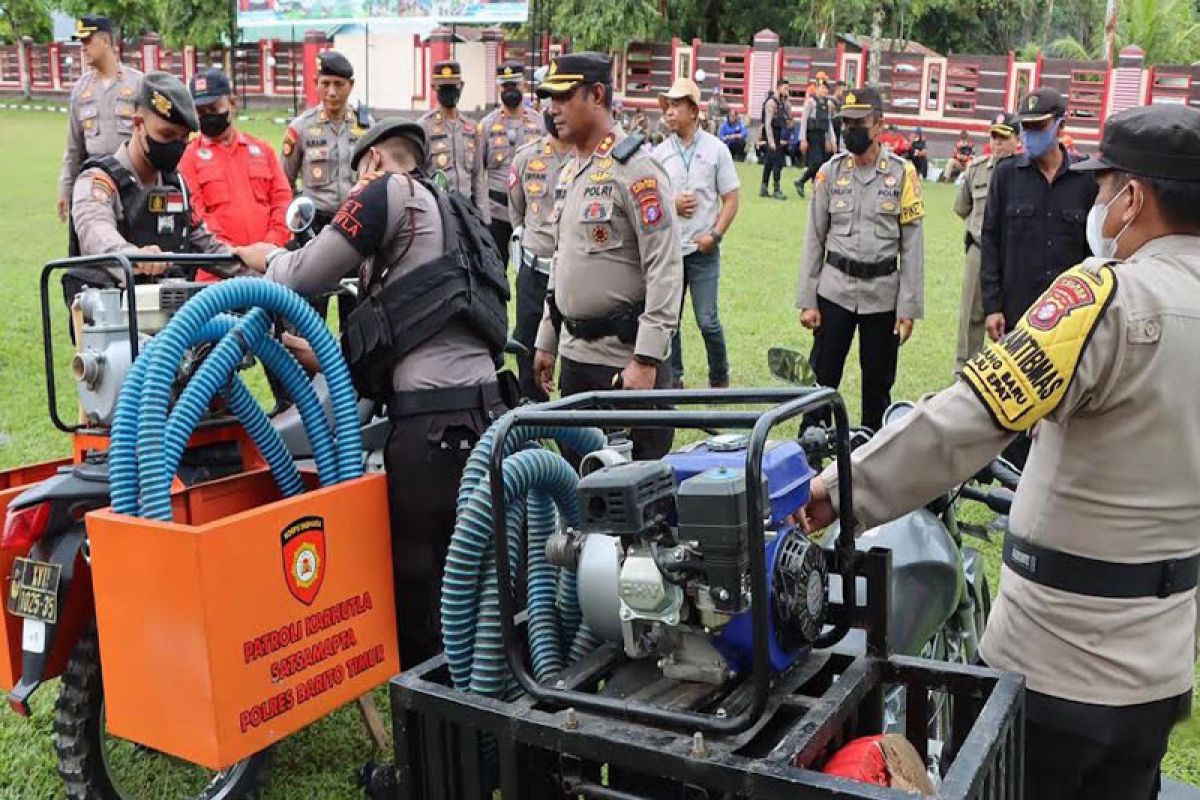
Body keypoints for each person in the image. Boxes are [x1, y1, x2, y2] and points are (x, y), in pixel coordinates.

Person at [801, 103, 1200, 800]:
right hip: (1160, 670)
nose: (1096, 203)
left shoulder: (1106, 298)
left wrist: (836, 491)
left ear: (1133, 198)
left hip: (1055, 666)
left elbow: (966, 420)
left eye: (1103, 189)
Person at [237, 119, 512, 665]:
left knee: (418, 594)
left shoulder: (384, 193)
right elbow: (421, 326)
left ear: (372, 165)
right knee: (484, 585)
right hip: (490, 423)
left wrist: (262, 255)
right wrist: (323, 354)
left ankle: (433, 735)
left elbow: (301, 274)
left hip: (430, 438)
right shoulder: (455, 212)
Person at [531, 52, 683, 459]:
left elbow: (665, 266)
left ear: (597, 95)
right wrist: (547, 338)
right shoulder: (570, 171)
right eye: (548, 98)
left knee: (632, 502)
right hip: (576, 358)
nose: (552, 109)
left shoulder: (636, 170)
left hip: (625, 363)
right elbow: (562, 260)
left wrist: (647, 358)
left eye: (562, 97)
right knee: (577, 491)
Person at [795, 86, 925, 432]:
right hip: (834, 290)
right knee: (821, 382)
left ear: (879, 125)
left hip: (882, 297)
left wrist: (908, 308)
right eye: (846, 122)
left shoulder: (902, 174)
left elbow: (912, 247)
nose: (850, 129)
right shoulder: (830, 172)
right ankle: (811, 450)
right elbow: (814, 237)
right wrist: (808, 300)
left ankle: (872, 456)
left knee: (878, 386)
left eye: (859, 122)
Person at [67, 71, 244, 300]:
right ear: (139, 125)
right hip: (115, 320)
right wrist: (135, 257)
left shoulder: (176, 184)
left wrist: (265, 266)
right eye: (166, 134)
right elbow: (96, 233)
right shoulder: (98, 181)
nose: (174, 146)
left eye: (183, 139)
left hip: (176, 321)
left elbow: (205, 245)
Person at [652, 77, 740, 390]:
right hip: (670, 251)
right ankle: (673, 379)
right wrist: (669, 203)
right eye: (667, 106)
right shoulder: (659, 154)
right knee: (669, 321)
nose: (669, 112)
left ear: (693, 110)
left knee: (708, 320)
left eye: (676, 105)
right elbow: (648, 201)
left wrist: (714, 236)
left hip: (704, 251)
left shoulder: (716, 150)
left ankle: (719, 378)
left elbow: (731, 199)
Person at [178, 67, 292, 282]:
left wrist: (269, 248)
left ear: (232, 102)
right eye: (200, 112)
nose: (208, 116)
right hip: (216, 275)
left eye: (214, 108)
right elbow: (197, 217)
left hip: (268, 269)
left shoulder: (263, 150)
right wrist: (235, 253)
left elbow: (282, 201)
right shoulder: (188, 158)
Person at [508, 109, 572, 401]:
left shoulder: (589, 157)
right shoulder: (525, 157)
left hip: (573, 271)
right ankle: (532, 411)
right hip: (535, 270)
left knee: (575, 346)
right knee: (526, 341)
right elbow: (516, 213)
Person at [58, 16, 143, 226]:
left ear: (105, 41)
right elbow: (74, 148)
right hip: (95, 184)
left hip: (132, 183)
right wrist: (65, 189)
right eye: (81, 42)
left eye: (88, 41)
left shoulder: (138, 83)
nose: (83, 48)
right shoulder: (81, 90)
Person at [952, 112, 1021, 371]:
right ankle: (964, 372)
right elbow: (962, 208)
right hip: (979, 251)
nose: (997, 143)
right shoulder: (976, 169)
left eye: (1004, 137)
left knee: (1013, 315)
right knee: (971, 314)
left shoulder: (1025, 173)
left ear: (1017, 139)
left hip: (1014, 256)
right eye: (994, 136)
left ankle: (1008, 372)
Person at [281, 51, 372, 235]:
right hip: (315, 226)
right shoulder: (300, 128)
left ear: (351, 85)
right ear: (316, 83)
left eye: (339, 84)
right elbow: (283, 183)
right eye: (325, 84)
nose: (332, 92)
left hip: (357, 223)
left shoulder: (367, 126)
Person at [478, 61, 545, 270]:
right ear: (499, 88)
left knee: (528, 273)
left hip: (530, 211)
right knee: (495, 272)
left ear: (524, 85)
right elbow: (478, 173)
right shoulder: (487, 125)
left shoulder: (539, 123)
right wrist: (483, 214)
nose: (510, 91)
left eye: (514, 85)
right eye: (505, 86)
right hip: (496, 211)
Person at [418, 60, 488, 223]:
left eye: (452, 87)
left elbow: (478, 176)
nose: (449, 92)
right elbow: (418, 175)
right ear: (434, 87)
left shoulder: (470, 128)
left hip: (467, 213)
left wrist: (483, 218)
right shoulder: (423, 127)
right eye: (444, 87)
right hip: (437, 212)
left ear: (461, 86)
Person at [793, 79, 836, 198]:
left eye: (826, 88)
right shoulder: (810, 102)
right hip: (812, 135)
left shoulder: (828, 104)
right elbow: (804, 121)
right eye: (821, 88)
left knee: (822, 163)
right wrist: (802, 139)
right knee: (816, 162)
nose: (824, 91)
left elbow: (829, 123)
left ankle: (815, 189)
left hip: (822, 135)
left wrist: (832, 140)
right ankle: (801, 180)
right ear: (816, 89)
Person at [759, 77, 790, 199]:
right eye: (785, 88)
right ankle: (776, 189)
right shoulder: (771, 103)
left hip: (778, 135)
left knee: (769, 162)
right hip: (771, 135)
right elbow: (768, 123)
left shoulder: (782, 102)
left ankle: (764, 187)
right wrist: (771, 141)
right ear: (778, 88)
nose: (787, 90)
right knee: (778, 163)